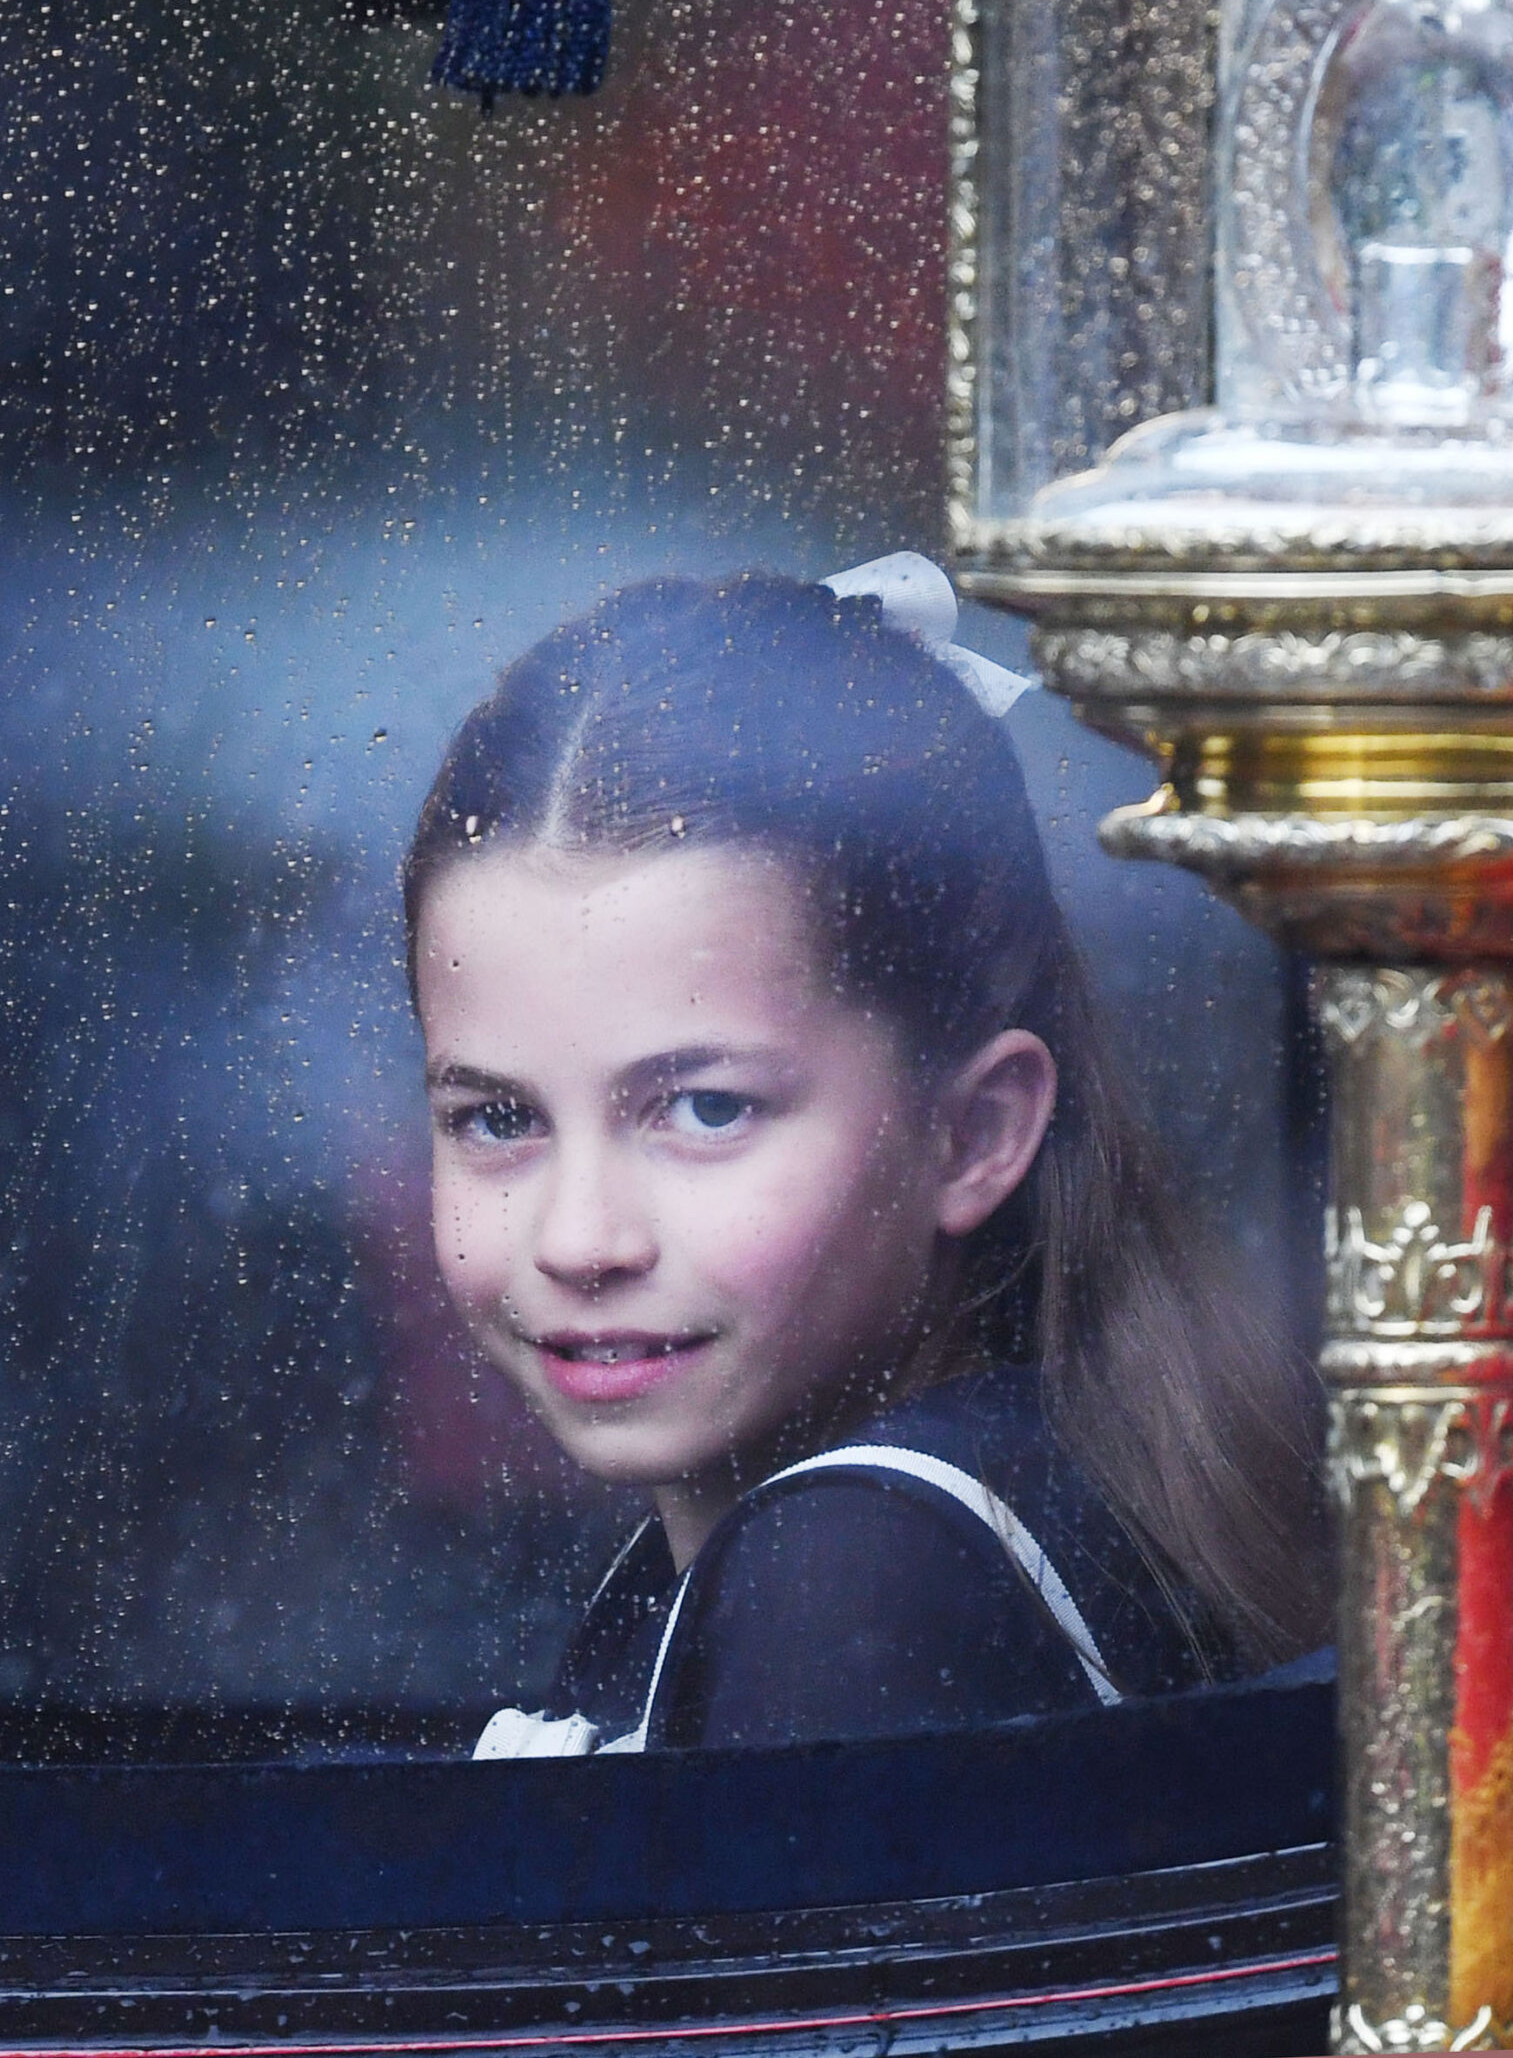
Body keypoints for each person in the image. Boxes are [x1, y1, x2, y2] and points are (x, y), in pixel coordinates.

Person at [401, 561, 1326, 1757]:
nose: (581, 1240)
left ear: (975, 1132)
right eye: (499, 1119)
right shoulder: (1003, 1478)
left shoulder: (855, 1576)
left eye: (708, 1109)